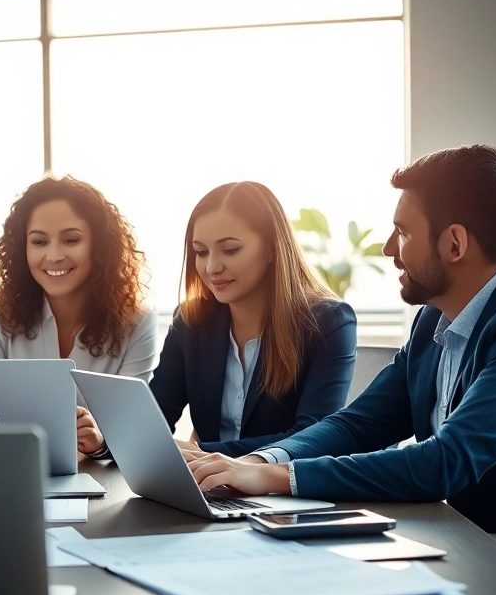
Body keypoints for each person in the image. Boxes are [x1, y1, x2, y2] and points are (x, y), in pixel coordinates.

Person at [186, 145, 496, 540]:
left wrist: (275, 479)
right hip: (459, 540)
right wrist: (254, 463)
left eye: (402, 233)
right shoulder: (435, 318)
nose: (388, 249)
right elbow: (360, 424)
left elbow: (446, 462)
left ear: (455, 243)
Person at [151, 182, 356, 457]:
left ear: (272, 248)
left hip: (285, 492)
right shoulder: (190, 322)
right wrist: (103, 443)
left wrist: (205, 454)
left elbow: (312, 437)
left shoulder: (328, 322)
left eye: (230, 249)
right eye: (201, 252)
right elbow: (152, 419)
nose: (211, 267)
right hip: (207, 488)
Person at [0, 175, 158, 456]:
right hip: (11, 466)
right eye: (39, 242)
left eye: (71, 240)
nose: (54, 255)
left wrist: (99, 443)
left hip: (99, 479)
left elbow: (132, 433)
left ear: (99, 246)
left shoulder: (137, 320)